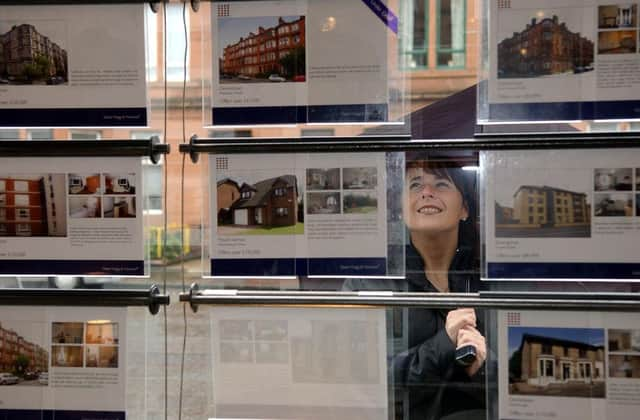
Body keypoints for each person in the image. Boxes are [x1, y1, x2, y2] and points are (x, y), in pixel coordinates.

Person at [343, 154, 486, 420]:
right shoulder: (369, 283)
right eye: (415, 185)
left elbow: (514, 381)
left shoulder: (488, 282)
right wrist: (444, 343)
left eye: (441, 184)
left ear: (464, 208)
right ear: (401, 207)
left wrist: (483, 365)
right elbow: (360, 381)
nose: (427, 193)